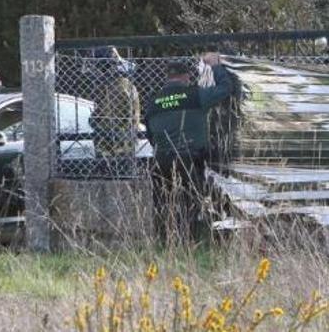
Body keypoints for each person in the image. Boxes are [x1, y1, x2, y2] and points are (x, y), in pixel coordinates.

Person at [144, 53, 232, 242]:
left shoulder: (153, 101)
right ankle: (189, 241)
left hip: (160, 159)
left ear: (167, 77)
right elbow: (225, 89)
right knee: (190, 201)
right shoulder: (195, 95)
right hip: (187, 158)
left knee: (163, 202)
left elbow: (149, 134)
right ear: (186, 77)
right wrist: (216, 66)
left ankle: (164, 240)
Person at [89, 46, 140, 162]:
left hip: (114, 149)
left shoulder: (117, 87)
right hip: (122, 145)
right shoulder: (123, 85)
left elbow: (110, 118)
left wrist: (94, 120)